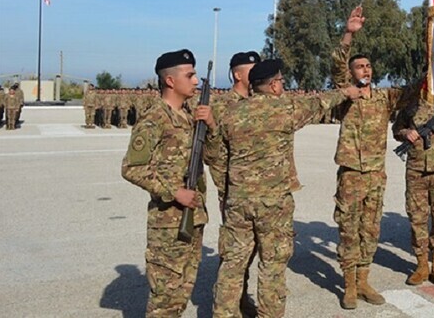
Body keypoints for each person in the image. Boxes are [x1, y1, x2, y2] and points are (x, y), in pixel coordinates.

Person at [213, 59, 361, 317]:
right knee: (272, 266)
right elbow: (318, 103)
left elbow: (216, 154)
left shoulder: (230, 113)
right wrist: (345, 92)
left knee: (232, 264)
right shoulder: (285, 109)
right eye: (281, 81)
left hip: (238, 201)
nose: (283, 85)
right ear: (272, 86)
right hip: (273, 203)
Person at [329, 6, 416, 309]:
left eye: (368, 66)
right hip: (351, 173)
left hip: (376, 174)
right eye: (359, 66)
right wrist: (349, 33)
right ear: (352, 73)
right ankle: (349, 284)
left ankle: (364, 278)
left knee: (371, 228)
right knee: (348, 228)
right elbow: (337, 65)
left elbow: (414, 90)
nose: (365, 69)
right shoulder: (345, 95)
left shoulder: (385, 98)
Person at [121, 49, 216, 316]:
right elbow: (131, 168)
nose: (196, 80)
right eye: (190, 75)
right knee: (165, 300)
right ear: (171, 81)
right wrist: (174, 192)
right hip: (168, 224)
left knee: (181, 294)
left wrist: (211, 125)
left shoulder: (189, 115)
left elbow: (211, 156)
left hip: (194, 217)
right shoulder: (155, 118)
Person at [205, 51, 261, 317]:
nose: (258, 74)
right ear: (237, 74)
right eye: (252, 70)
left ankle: (240, 298)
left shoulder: (261, 102)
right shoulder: (222, 105)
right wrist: (225, 188)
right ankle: (228, 305)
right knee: (234, 252)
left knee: (251, 250)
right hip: (233, 190)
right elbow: (212, 152)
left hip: (260, 191)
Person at [392, 90, 434, 288]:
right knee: (417, 218)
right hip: (416, 170)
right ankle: (421, 266)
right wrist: (405, 133)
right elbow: (396, 129)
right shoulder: (412, 105)